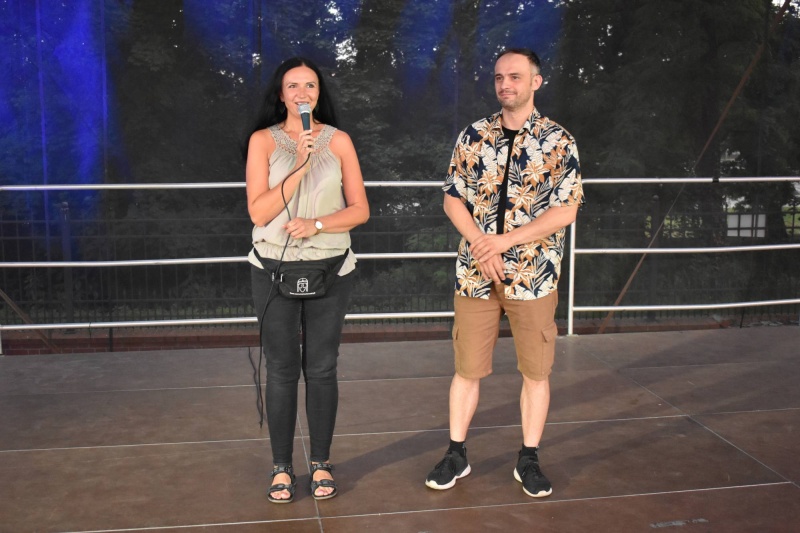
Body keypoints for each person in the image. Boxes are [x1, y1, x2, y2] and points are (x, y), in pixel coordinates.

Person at [425, 48, 584, 498]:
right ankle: (456, 453)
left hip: (533, 275)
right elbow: (452, 197)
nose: (505, 84)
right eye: (499, 77)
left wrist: (504, 242)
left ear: (536, 81)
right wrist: (482, 244)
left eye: (515, 76)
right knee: (466, 369)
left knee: (536, 371)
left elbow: (566, 210)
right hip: (475, 275)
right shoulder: (474, 134)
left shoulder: (558, 141)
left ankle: (528, 458)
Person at [244, 57, 369, 503]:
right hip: (273, 268)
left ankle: (320, 462)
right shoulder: (263, 141)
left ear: (319, 93)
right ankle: (282, 467)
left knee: (321, 367)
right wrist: (299, 163)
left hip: (331, 268)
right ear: (281, 95)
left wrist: (317, 225)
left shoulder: (339, 141)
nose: (302, 93)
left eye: (310, 86)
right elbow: (259, 213)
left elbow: (360, 210)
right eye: (293, 86)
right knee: (280, 368)